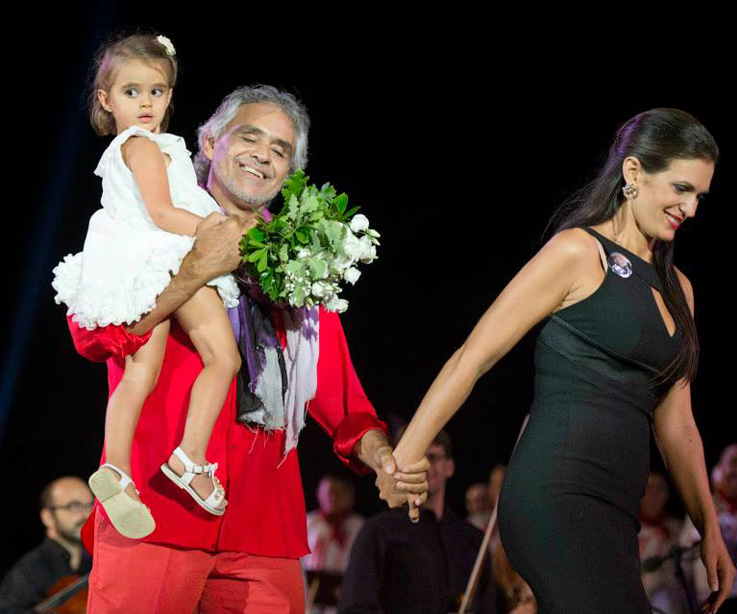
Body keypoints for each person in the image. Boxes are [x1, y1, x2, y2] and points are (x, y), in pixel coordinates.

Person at [65, 84, 429, 613]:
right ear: (210, 143)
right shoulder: (146, 224)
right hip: (155, 510)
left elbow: (338, 394)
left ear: (289, 173)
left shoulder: (301, 267)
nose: (264, 154)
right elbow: (95, 335)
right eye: (250, 137)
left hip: (263, 529)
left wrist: (383, 459)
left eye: (281, 150)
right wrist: (193, 272)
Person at [392, 108, 735, 613]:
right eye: (681, 188)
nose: (691, 208)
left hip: (618, 511)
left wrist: (710, 529)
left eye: (699, 196)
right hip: (553, 493)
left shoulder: (681, 290)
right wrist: (406, 456)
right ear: (634, 173)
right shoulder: (577, 252)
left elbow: (678, 424)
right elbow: (474, 355)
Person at [52, 34, 241, 538]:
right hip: (165, 256)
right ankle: (191, 456)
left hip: (143, 263)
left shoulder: (138, 146)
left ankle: (117, 468)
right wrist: (217, 229)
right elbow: (160, 213)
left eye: (157, 92)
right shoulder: (143, 146)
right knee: (224, 359)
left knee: (141, 373)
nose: (146, 103)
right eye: (132, 91)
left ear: (169, 96)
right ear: (105, 98)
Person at [339, 430, 496, 614]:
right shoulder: (377, 531)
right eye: (417, 457)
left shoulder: (473, 539)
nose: (425, 466)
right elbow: (355, 607)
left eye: (433, 457)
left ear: (450, 467)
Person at [0, 477, 93, 613]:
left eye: (90, 505)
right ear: (48, 517)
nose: (86, 514)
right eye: (74, 506)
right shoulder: (30, 570)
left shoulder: (93, 565)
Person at [681, 444, 737, 612]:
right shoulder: (705, 508)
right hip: (713, 599)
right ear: (719, 470)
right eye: (734, 462)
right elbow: (685, 558)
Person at [638, 472, 688, 614]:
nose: (653, 494)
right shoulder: (628, 530)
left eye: (659, 488)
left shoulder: (678, 529)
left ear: (667, 494)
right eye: (648, 488)